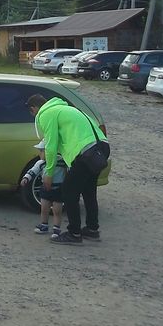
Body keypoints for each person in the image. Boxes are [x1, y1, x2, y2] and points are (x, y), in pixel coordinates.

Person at [27, 93, 105, 245]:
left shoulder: (47, 113)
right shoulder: (65, 108)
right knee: (89, 191)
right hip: (101, 148)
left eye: (32, 112)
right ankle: (92, 229)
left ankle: (74, 233)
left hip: (85, 152)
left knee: (69, 191)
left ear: (34, 109)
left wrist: (49, 173)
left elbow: (51, 145)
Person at [20, 140, 66, 236]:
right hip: (45, 188)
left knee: (57, 211)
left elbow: (69, 170)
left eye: (42, 151)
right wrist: (26, 178)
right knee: (44, 209)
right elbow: (33, 170)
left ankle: (56, 229)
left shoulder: (62, 161)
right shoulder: (41, 163)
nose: (40, 153)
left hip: (58, 189)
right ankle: (43, 225)